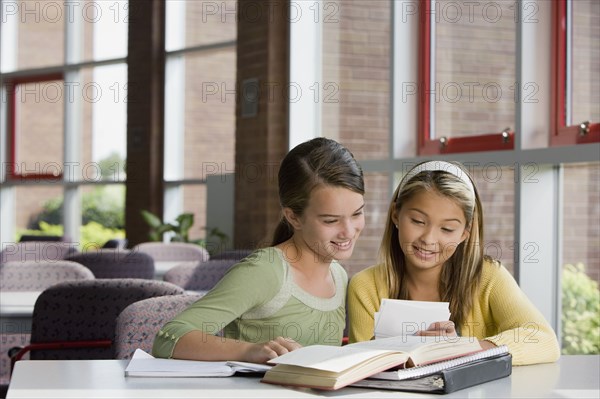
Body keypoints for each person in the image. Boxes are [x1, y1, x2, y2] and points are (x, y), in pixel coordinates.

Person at [153, 137, 365, 363]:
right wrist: (248, 351)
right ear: (293, 217)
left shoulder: (338, 275)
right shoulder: (265, 272)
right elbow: (168, 338)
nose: (349, 231)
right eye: (331, 221)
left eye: (357, 214)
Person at [347, 160, 560, 366]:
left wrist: (461, 349)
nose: (429, 239)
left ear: (465, 233)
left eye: (447, 229)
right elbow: (357, 369)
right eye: (418, 221)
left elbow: (543, 339)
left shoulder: (488, 277)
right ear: (396, 215)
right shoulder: (366, 286)